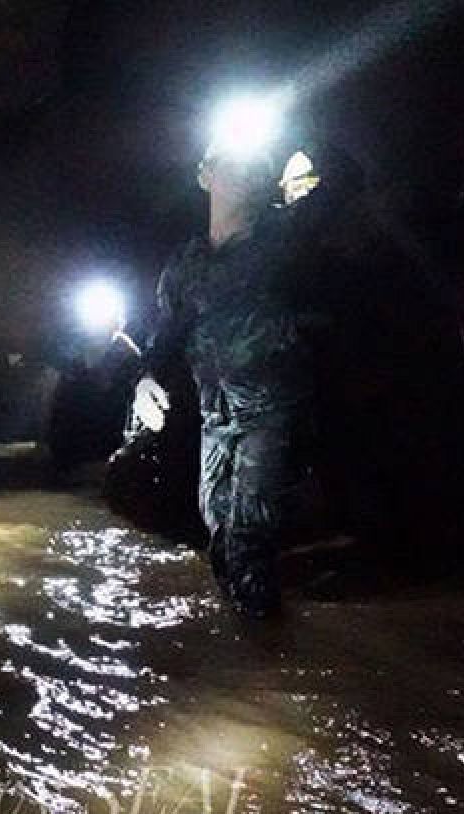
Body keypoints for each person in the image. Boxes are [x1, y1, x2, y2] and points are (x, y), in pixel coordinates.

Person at [135, 123, 349, 619]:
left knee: (250, 533)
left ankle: (265, 659)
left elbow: (342, 182)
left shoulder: (285, 237)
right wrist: (145, 378)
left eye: (254, 167)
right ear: (206, 175)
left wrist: (308, 150)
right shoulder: (186, 263)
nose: (245, 174)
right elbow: (168, 333)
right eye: (232, 164)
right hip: (217, 414)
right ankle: (246, 648)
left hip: (274, 410)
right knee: (218, 527)